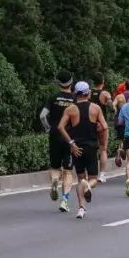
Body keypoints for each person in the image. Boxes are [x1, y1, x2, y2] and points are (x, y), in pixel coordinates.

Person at [57, 81, 107, 220]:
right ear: (88, 93)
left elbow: (60, 127)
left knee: (80, 178)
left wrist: (71, 142)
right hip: (91, 146)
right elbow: (104, 126)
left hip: (76, 147)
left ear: (75, 93)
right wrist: (102, 139)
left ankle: (81, 208)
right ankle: (88, 186)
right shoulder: (95, 108)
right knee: (93, 179)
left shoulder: (70, 109)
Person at [40, 70, 75, 213]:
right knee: (67, 171)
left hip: (54, 135)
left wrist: (48, 128)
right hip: (70, 137)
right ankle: (65, 199)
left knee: (55, 167)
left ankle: (55, 180)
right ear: (71, 81)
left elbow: (42, 115)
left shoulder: (53, 97)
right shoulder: (75, 99)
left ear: (58, 82)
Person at [92, 73, 115, 184]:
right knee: (103, 149)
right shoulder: (105, 94)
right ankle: (102, 175)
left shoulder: (88, 93)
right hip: (102, 124)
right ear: (103, 81)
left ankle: (91, 174)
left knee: (91, 149)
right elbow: (111, 108)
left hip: (90, 124)